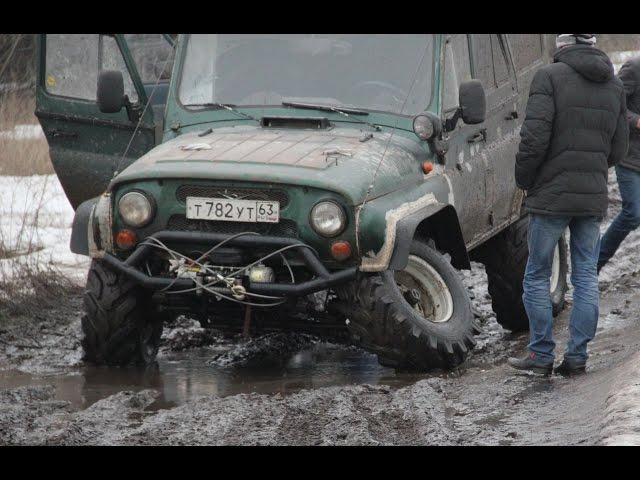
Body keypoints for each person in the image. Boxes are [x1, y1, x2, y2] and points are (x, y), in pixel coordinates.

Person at [508, 34, 628, 376]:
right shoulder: (615, 85)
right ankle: (577, 358)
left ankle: (541, 355)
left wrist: (525, 179)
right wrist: (590, 169)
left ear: (561, 44)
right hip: (591, 194)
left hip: (551, 195)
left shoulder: (548, 77)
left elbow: (534, 138)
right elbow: (618, 150)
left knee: (537, 275)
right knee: (586, 275)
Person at [597, 55, 640, 271]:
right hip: (630, 157)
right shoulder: (634, 67)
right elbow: (613, 102)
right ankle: (594, 263)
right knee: (633, 213)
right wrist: (636, 120)